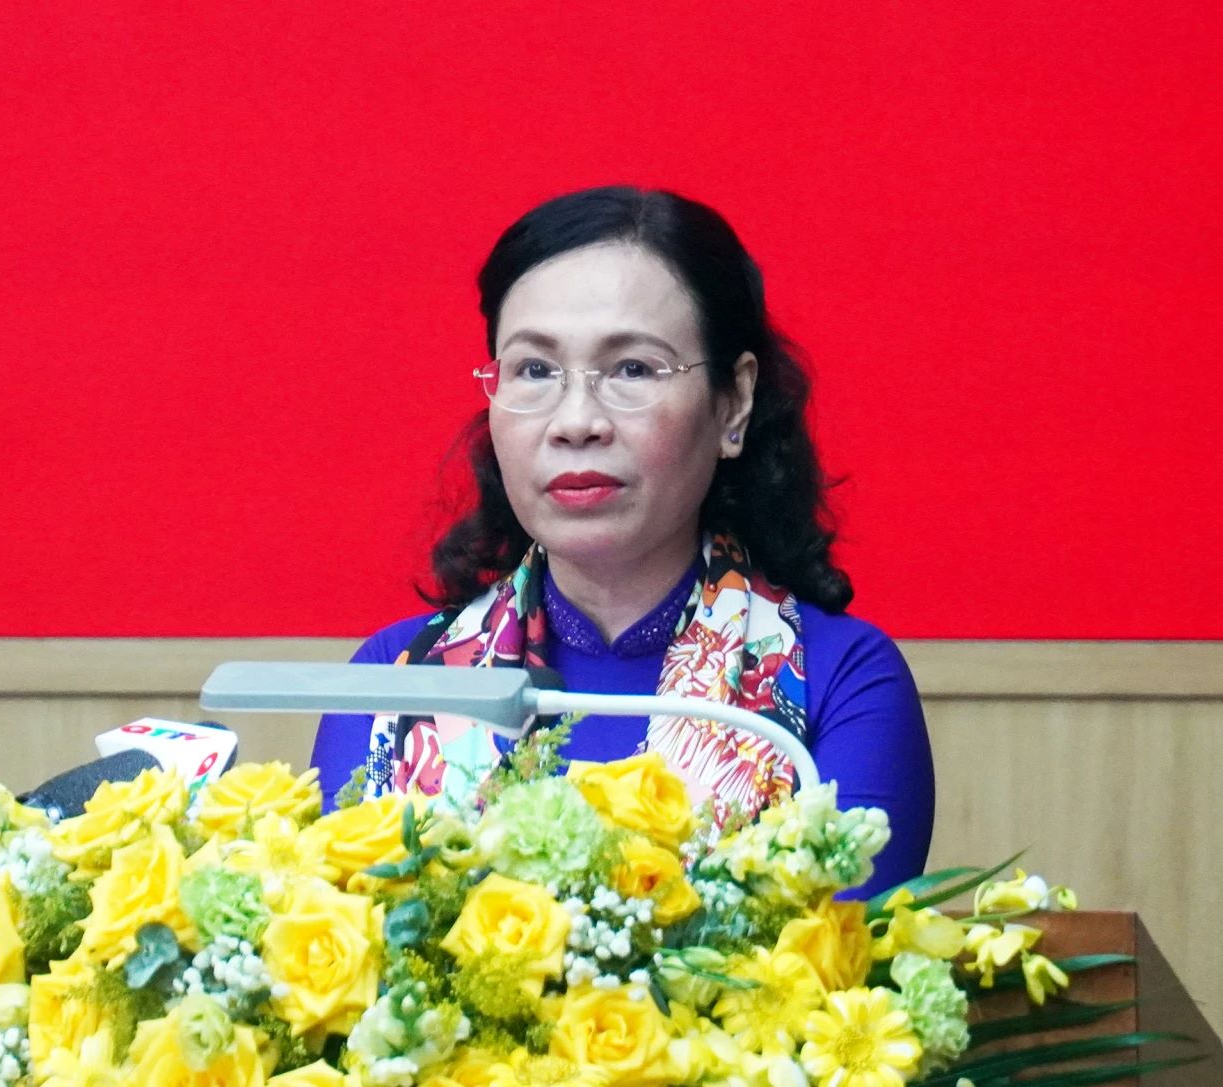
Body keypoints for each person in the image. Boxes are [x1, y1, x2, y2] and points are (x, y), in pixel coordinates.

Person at [309, 186, 933, 897]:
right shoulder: (395, 680)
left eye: (633, 369)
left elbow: (832, 957)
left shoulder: (842, 681)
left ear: (733, 402)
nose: (576, 421)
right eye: (535, 370)